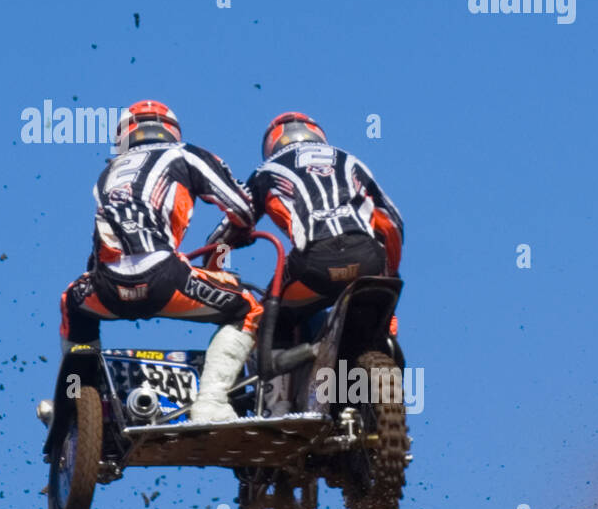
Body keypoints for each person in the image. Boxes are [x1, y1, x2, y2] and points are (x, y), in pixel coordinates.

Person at [59, 100, 262, 423]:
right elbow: (241, 207)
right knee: (249, 308)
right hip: (165, 278)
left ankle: (81, 404)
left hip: (107, 289)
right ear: (170, 129)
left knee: (72, 302)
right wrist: (238, 233)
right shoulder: (184, 153)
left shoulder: (108, 174)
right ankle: (211, 402)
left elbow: (99, 248)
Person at [213, 112, 403, 346]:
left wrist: (214, 267)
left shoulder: (267, 170)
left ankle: (273, 377)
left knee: (266, 318)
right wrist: (388, 273)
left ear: (273, 143)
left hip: (315, 265)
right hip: (367, 260)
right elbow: (393, 221)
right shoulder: (352, 161)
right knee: (383, 324)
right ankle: (388, 353)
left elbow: (231, 224)